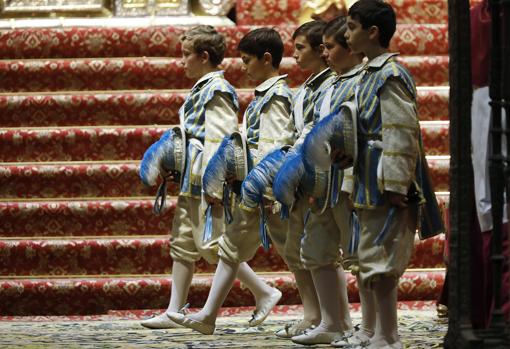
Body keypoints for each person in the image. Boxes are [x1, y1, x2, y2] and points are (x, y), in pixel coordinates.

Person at [140, 25, 281, 330]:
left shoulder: (217, 90)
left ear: (204, 56)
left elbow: (220, 140)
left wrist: (212, 183)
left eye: (186, 55)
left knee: (213, 244)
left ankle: (264, 291)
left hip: (205, 181)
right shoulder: (203, 87)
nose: (182, 62)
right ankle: (174, 308)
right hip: (191, 178)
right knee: (182, 242)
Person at [274, 16, 364, 345]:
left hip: (345, 176)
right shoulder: (317, 87)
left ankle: (370, 327)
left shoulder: (347, 82)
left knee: (359, 255)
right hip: (319, 178)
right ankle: (332, 321)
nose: (324, 54)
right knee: (316, 250)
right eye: (322, 47)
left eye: (327, 47)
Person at [341, 1, 421, 347]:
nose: (346, 34)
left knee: (383, 261)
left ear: (372, 32)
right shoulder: (368, 73)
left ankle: (388, 336)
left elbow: (401, 131)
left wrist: (395, 182)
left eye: (352, 27)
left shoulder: (389, 75)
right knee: (369, 258)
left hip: (382, 179)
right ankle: (375, 331)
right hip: (366, 175)